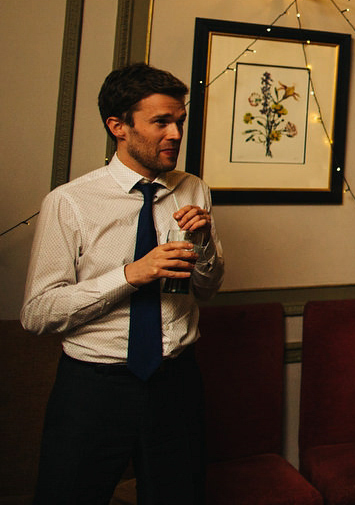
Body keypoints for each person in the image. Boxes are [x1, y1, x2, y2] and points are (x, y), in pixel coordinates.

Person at [21, 62, 224, 505]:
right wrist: (131, 275)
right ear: (118, 126)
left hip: (177, 382)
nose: (175, 134)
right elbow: (37, 314)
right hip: (94, 389)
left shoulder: (194, 189)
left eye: (179, 122)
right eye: (161, 122)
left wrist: (205, 243)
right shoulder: (70, 202)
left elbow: (208, 288)